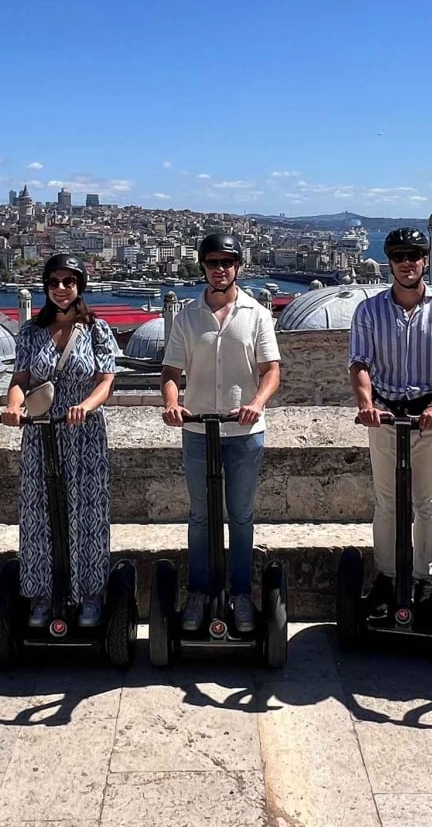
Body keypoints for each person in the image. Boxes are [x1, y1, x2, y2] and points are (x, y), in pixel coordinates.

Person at [161, 232, 282, 633]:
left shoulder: (257, 314)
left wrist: (257, 403)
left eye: (227, 262)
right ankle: (198, 593)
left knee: (241, 516)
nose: (220, 269)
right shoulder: (187, 317)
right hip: (198, 430)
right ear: (204, 267)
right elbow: (171, 372)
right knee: (200, 517)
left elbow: (271, 371)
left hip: (244, 432)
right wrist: (171, 403)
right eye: (213, 263)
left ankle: (242, 594)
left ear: (238, 267)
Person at [348, 227, 432, 616]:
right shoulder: (369, 310)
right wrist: (367, 404)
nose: (407, 263)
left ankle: (422, 579)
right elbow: (360, 363)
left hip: (427, 418)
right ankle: (385, 576)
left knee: (425, 503)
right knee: (386, 503)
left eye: (413, 255)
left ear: (425, 260)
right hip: (385, 415)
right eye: (399, 256)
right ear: (390, 262)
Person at [1, 253, 119, 628]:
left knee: (88, 513)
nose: (62, 289)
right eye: (54, 282)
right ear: (45, 287)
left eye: (69, 282)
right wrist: (13, 407)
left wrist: (85, 405)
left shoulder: (97, 330)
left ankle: (89, 593)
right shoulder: (31, 333)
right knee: (37, 514)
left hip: (83, 434)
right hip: (41, 433)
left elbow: (106, 381)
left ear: (80, 286)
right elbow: (20, 381)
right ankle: (41, 594)